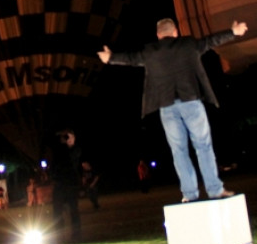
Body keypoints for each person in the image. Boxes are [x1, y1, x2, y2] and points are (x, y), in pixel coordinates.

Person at [98, 18, 247, 203]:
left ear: (158, 36)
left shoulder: (150, 51)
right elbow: (211, 41)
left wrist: (111, 57)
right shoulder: (188, 44)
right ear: (175, 32)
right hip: (191, 102)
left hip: (167, 107)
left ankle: (189, 194)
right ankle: (215, 190)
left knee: (179, 151)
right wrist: (233, 31)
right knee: (203, 146)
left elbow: (131, 58)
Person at [50, 128, 83, 243]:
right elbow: (54, 164)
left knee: (73, 210)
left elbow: (71, 158)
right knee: (57, 211)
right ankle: (59, 236)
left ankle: (76, 234)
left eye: (68, 137)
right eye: (65, 137)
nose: (66, 139)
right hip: (59, 184)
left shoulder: (75, 150)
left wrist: (69, 144)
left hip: (71, 184)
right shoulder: (58, 151)